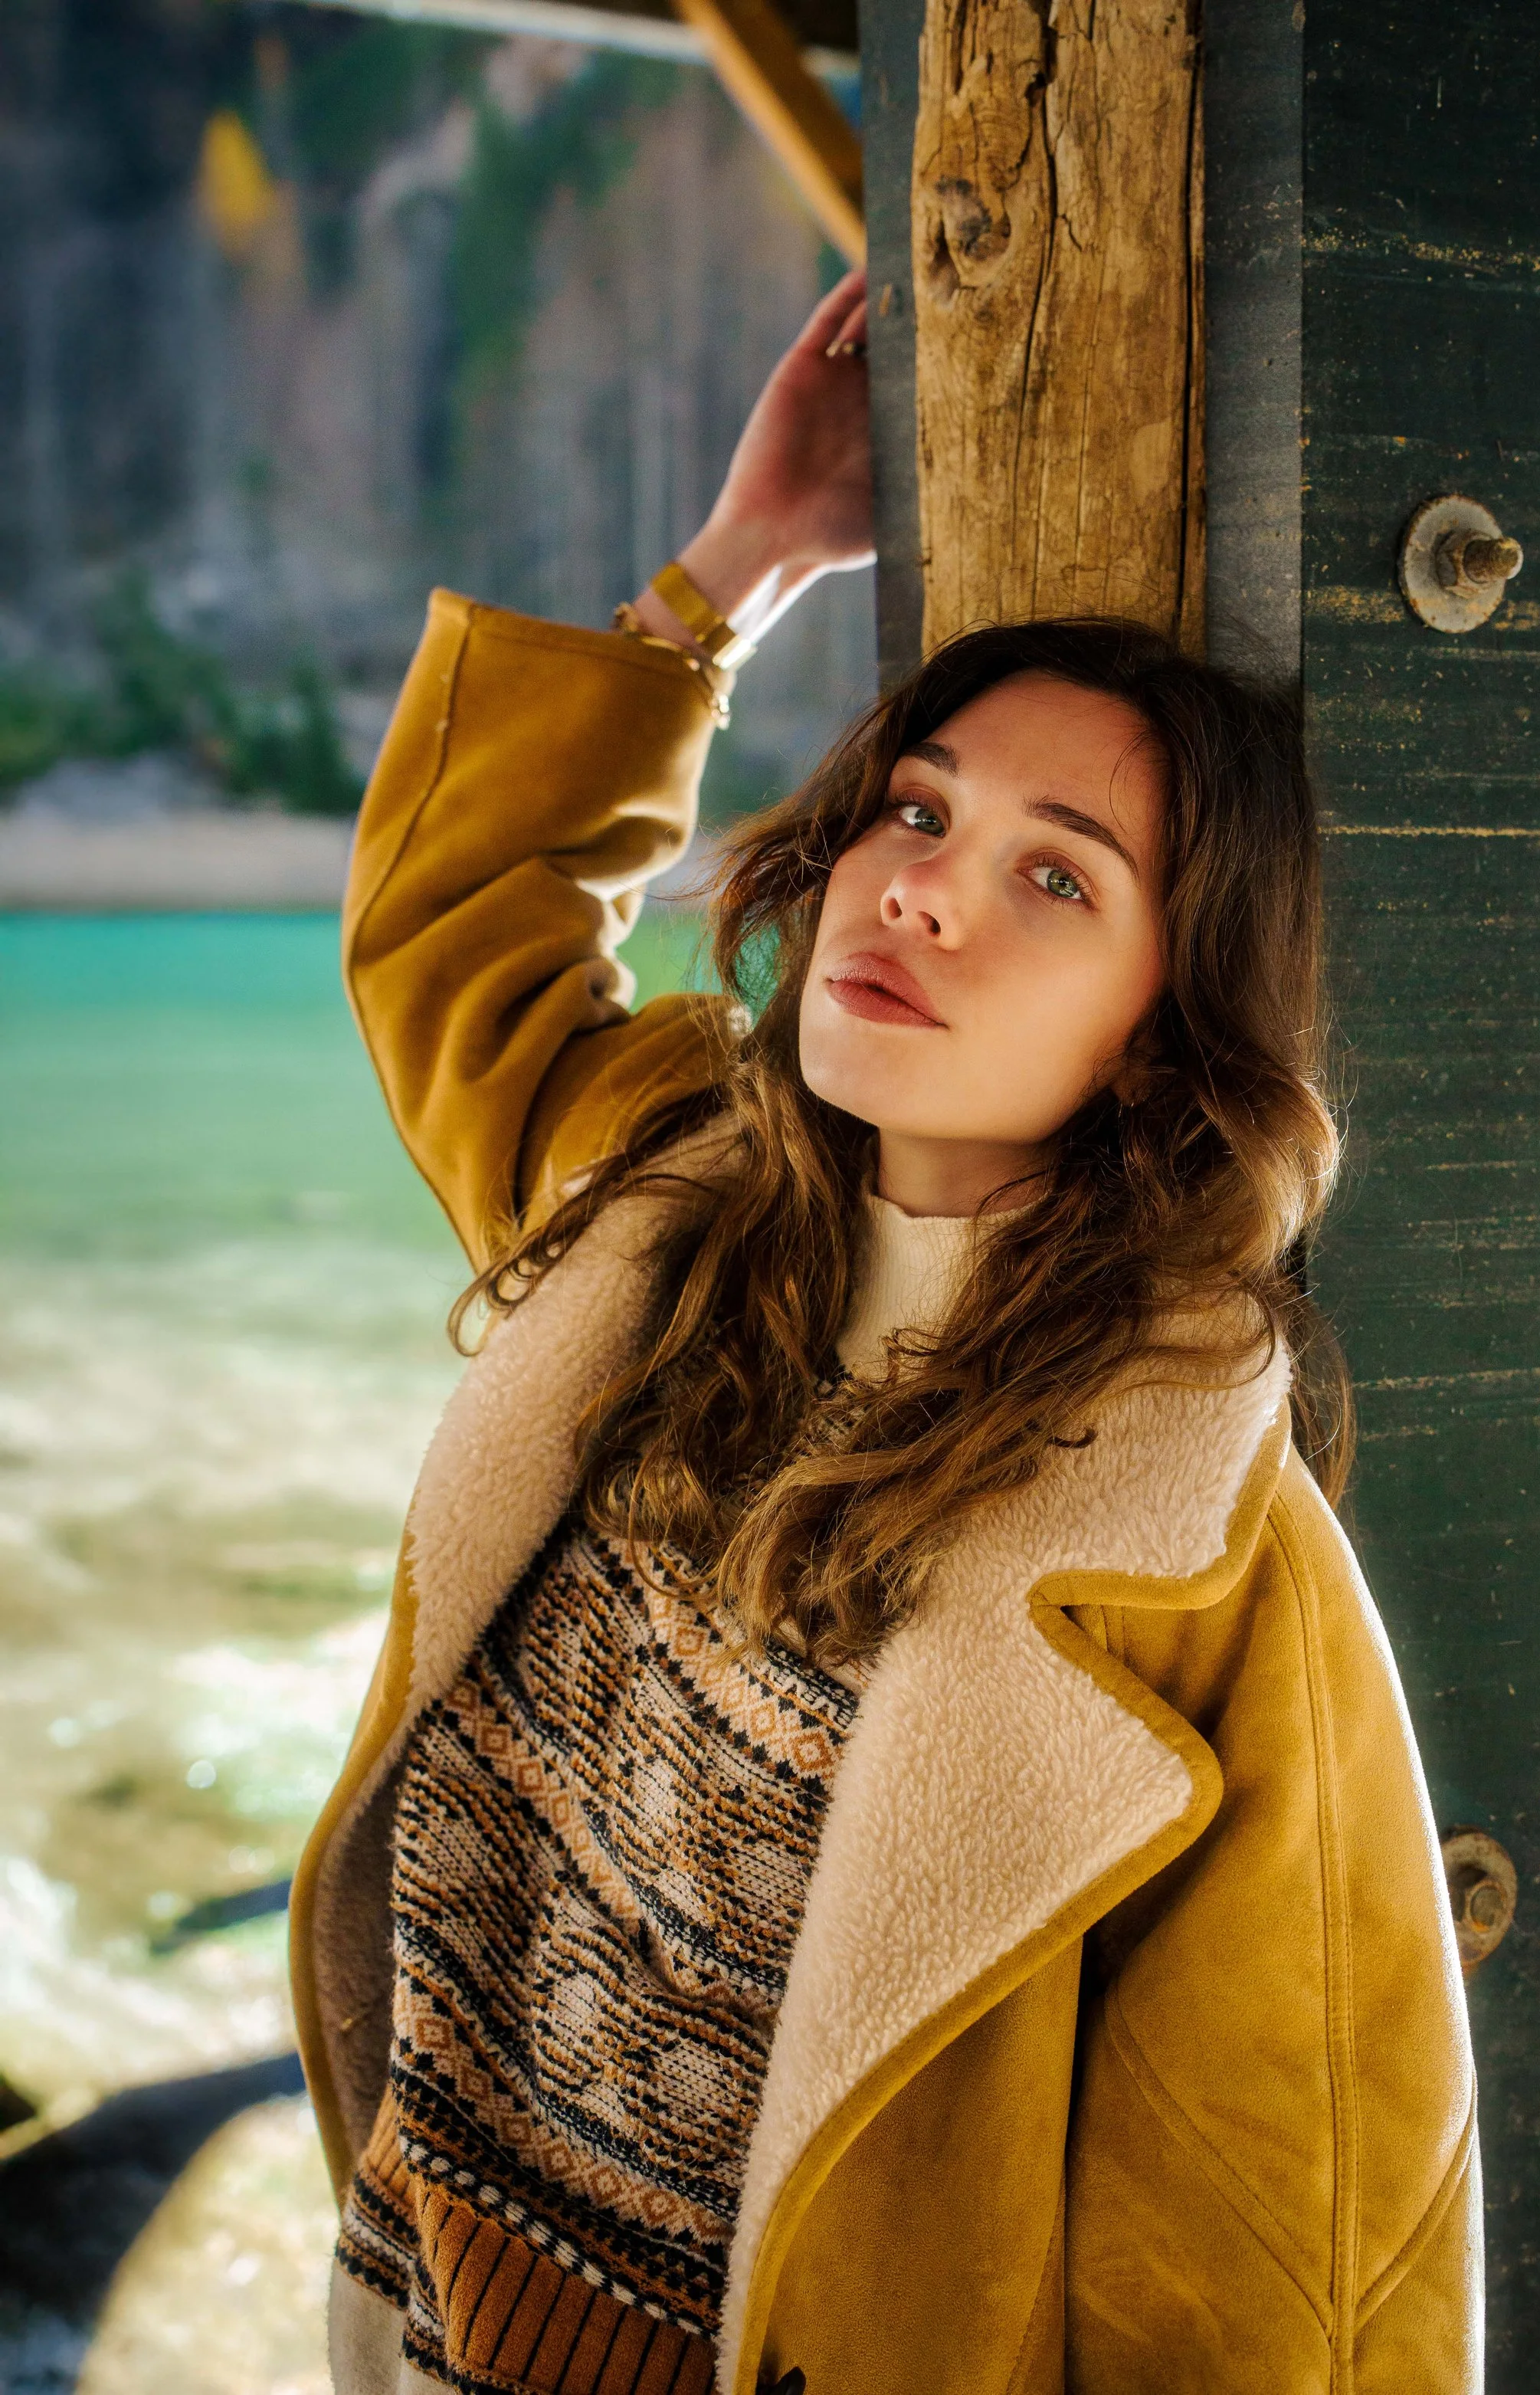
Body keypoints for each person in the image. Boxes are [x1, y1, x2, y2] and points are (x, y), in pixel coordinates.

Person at [293, 269, 1480, 2395]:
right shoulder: (663, 1198)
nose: (920, 888)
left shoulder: (1205, 1567)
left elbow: (1288, 2266)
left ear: (1159, 1036)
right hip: (403, 2324)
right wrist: (738, 564)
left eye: (1056, 877)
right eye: (918, 810)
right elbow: (453, 917)